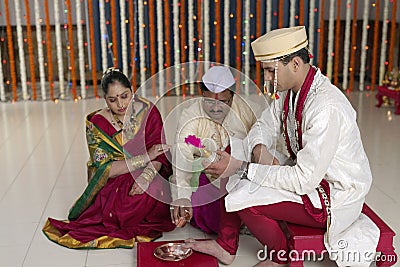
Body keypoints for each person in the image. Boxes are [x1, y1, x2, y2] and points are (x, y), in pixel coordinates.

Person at [184, 26, 379, 267]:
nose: (266, 78)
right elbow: (263, 125)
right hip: (308, 177)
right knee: (236, 150)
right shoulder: (292, 92)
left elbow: (303, 180)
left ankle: (280, 258)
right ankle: (226, 245)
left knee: (244, 197)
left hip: (332, 195)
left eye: (269, 71)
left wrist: (243, 168)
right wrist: (259, 150)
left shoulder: (326, 109)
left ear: (295, 64)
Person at [42, 68, 175, 249]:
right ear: (105, 100)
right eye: (113, 100)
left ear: (132, 92)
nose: (120, 104)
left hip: (149, 172)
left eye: (124, 96)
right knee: (125, 203)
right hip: (117, 178)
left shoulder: (148, 111)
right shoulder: (98, 123)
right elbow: (106, 169)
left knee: (153, 193)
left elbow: (159, 152)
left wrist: (146, 177)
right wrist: (144, 157)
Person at [169, 66, 257, 234]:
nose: (216, 108)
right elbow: (182, 151)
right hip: (205, 179)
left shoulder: (248, 111)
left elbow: (261, 148)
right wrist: (183, 196)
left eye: (223, 102)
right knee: (213, 218)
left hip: (239, 178)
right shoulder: (190, 114)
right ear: (202, 95)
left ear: (232, 96)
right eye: (209, 101)